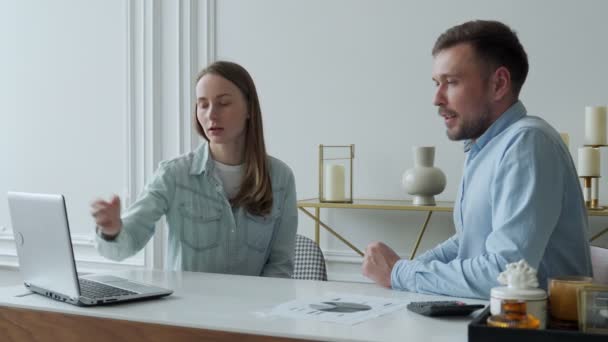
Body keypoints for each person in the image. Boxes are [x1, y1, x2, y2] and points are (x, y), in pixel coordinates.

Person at [362, 20, 592, 299]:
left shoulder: (527, 144)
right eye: (436, 83)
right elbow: (472, 239)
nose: (436, 98)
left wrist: (400, 273)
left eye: (451, 82)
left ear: (499, 84)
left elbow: (505, 274)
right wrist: (407, 269)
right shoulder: (485, 148)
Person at [91, 61, 297, 278]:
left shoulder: (281, 178)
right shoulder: (173, 175)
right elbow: (126, 245)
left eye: (224, 103)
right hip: (186, 310)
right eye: (203, 104)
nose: (211, 115)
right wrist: (112, 230)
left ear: (249, 109)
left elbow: (280, 266)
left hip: (254, 311)